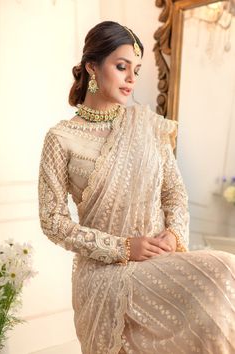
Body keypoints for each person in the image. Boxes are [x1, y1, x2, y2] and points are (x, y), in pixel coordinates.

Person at [38, 21, 235, 354]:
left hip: (159, 260)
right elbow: (53, 222)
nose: (131, 78)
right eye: (121, 66)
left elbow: (174, 193)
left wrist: (173, 234)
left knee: (225, 273)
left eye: (136, 70)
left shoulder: (145, 124)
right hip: (103, 273)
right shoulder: (61, 138)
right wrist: (124, 248)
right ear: (92, 66)